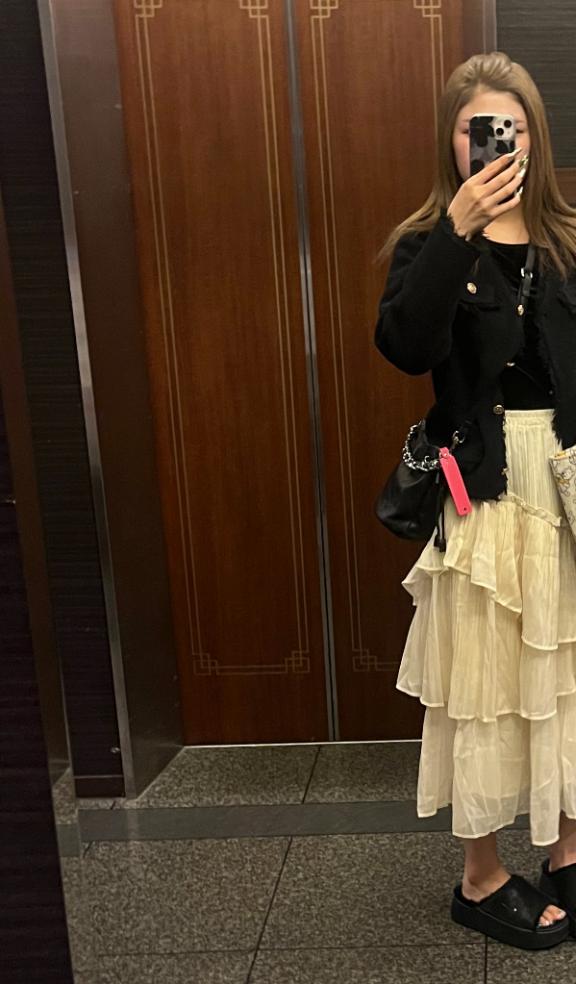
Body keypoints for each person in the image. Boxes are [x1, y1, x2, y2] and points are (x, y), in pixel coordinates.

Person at [374, 51, 576, 950]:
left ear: (535, 138)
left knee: (567, 671)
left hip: (567, 481)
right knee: (485, 680)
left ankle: (568, 849)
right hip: (484, 486)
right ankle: (482, 875)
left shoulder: (566, 239)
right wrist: (458, 234)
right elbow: (406, 348)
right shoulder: (428, 243)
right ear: (451, 141)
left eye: (512, 128)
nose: (494, 143)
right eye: (476, 129)